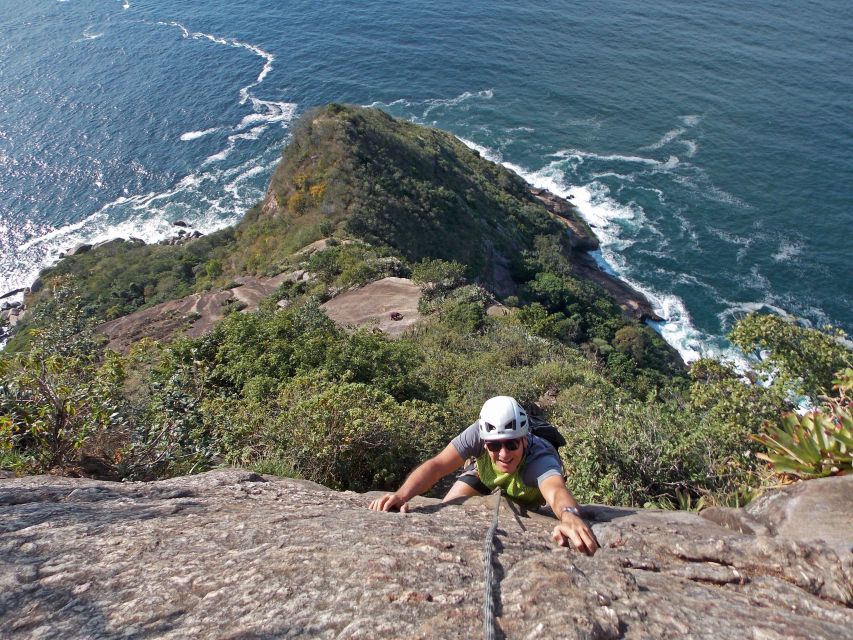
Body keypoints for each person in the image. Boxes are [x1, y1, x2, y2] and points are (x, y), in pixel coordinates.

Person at [369, 395, 599, 555]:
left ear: (524, 439)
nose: (504, 453)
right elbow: (438, 466)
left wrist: (569, 516)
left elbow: (557, 490)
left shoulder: (539, 459)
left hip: (525, 493)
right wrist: (402, 495)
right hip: (484, 477)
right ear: (484, 442)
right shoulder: (477, 435)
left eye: (511, 445)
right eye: (494, 447)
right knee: (446, 513)